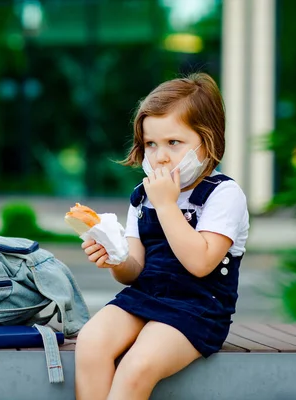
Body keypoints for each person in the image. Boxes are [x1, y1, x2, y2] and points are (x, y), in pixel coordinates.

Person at [74, 72, 250, 400]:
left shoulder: (224, 195)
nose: (160, 156)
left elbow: (201, 263)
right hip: (145, 297)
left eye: (174, 143)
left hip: (197, 308)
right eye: (151, 144)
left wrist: (167, 205)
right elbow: (134, 271)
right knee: (91, 342)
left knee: (137, 365)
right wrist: (115, 258)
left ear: (208, 141)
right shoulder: (143, 196)